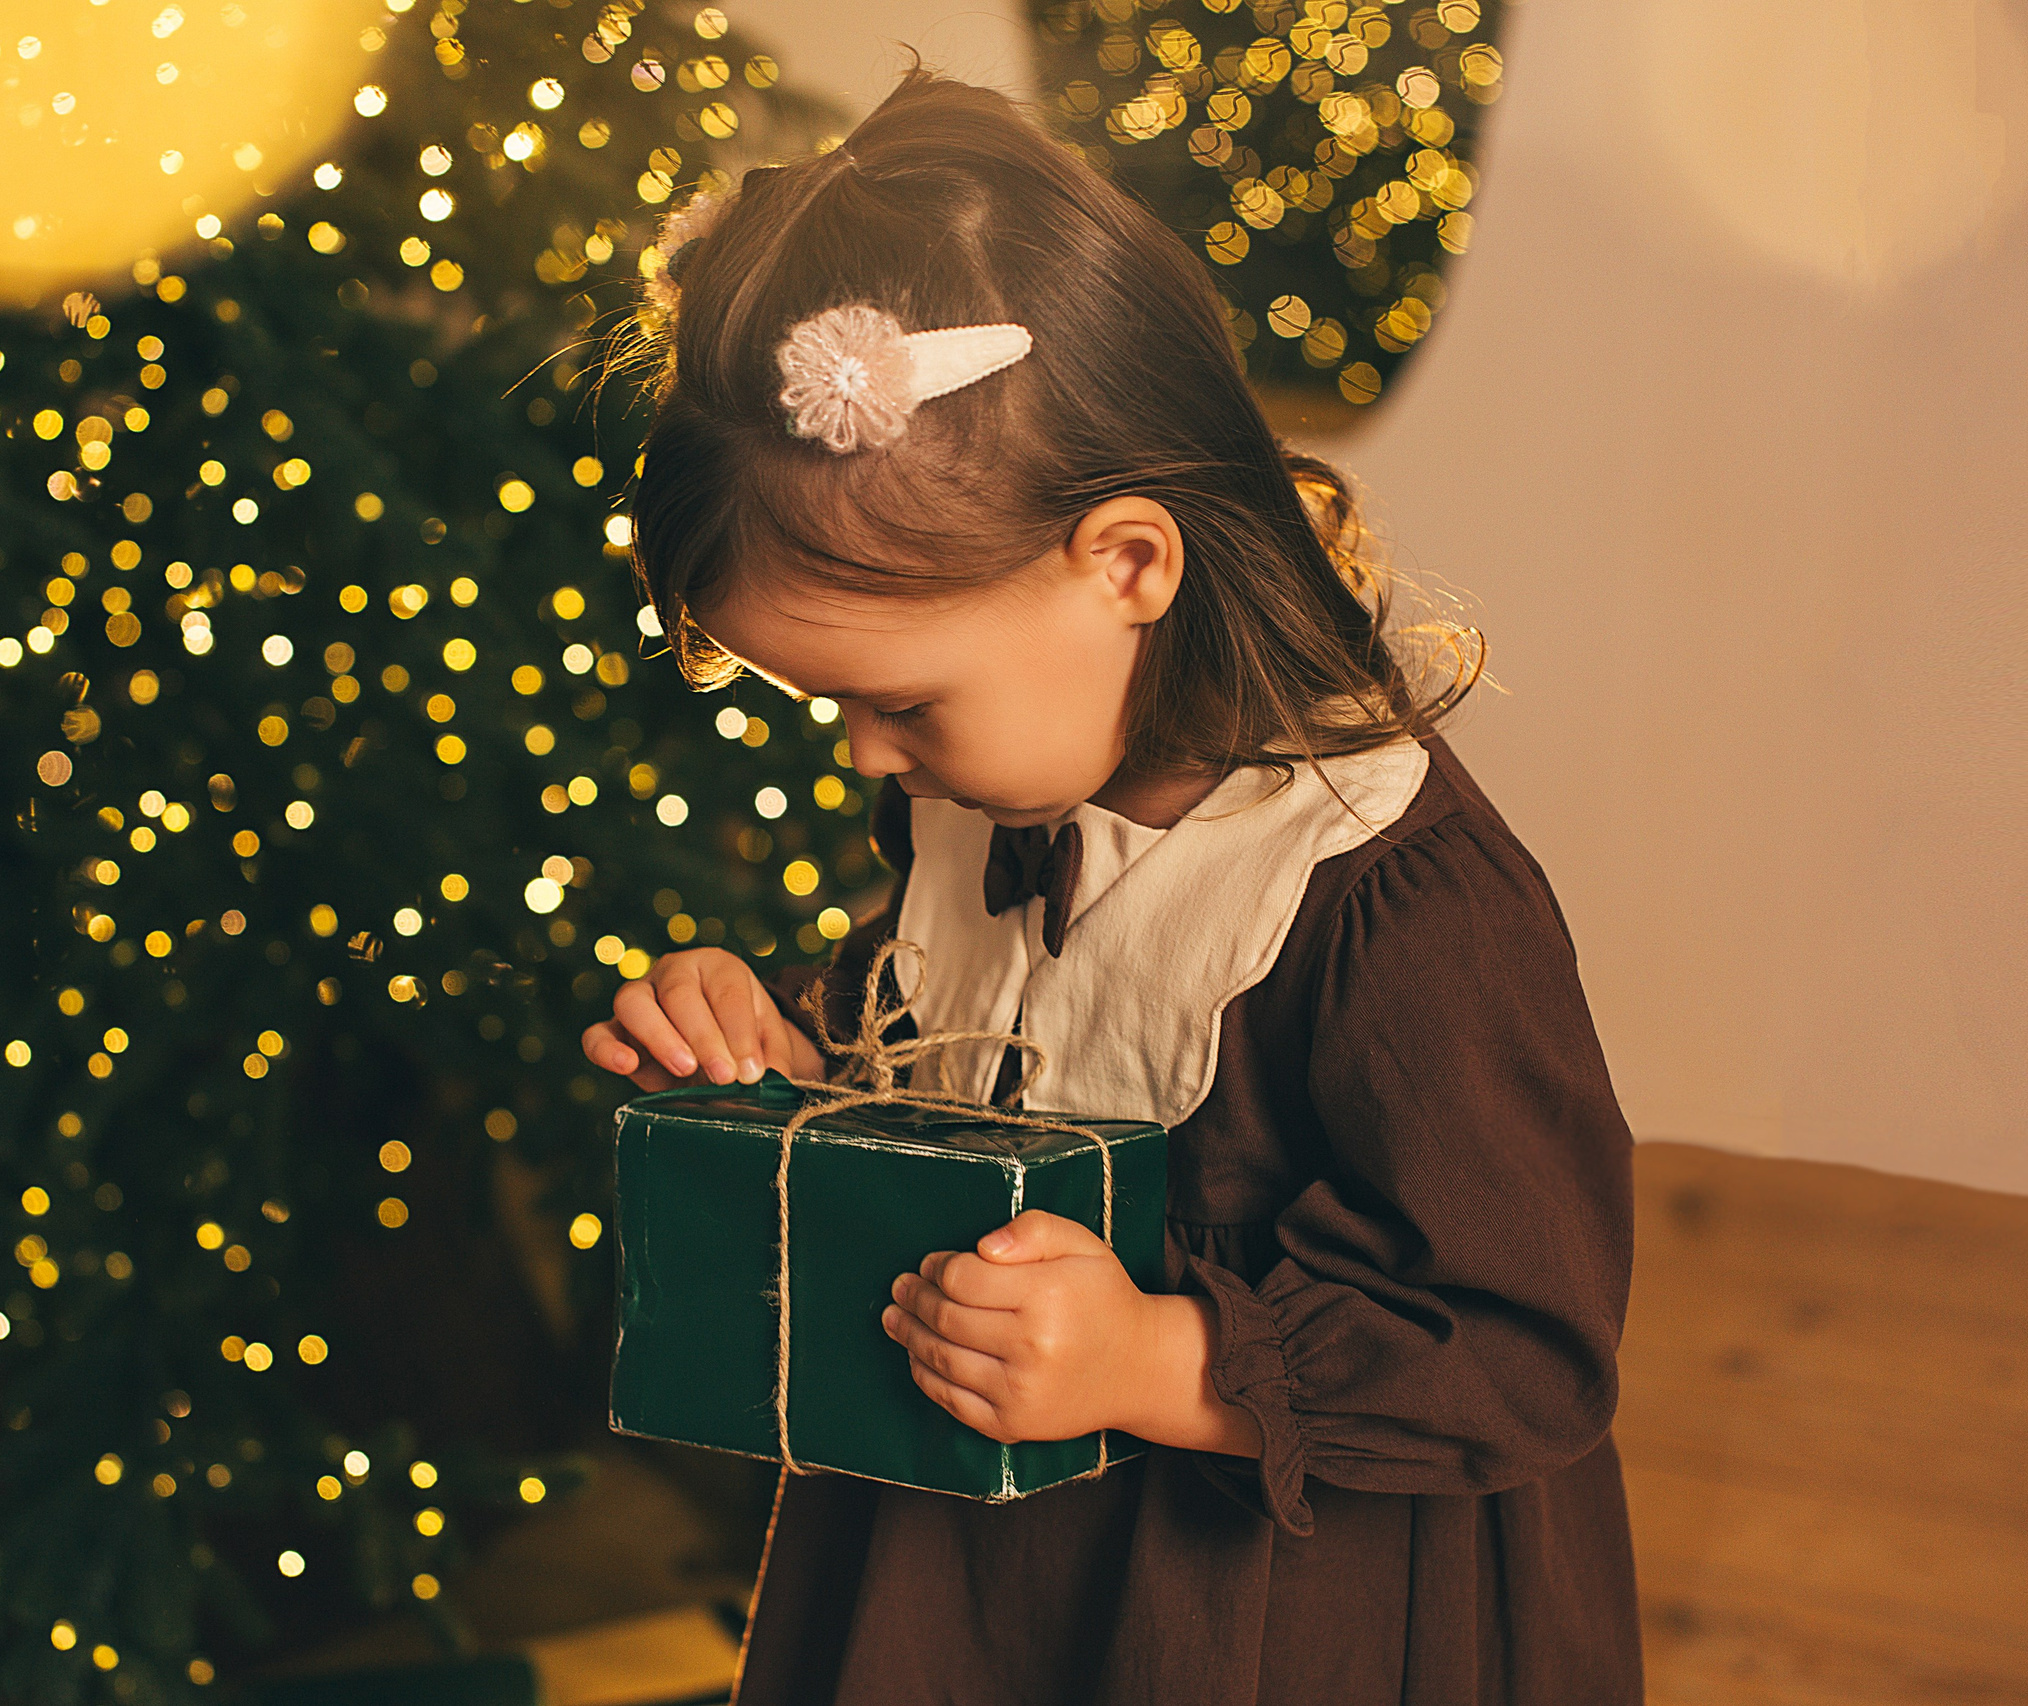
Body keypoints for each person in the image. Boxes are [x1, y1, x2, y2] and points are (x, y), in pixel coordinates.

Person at [580, 67, 1641, 1706]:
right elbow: (940, 1033)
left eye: (901, 700)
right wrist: (785, 1053)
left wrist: (1161, 1356)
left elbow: (1525, 1344)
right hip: (957, 1589)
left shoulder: (1391, 898)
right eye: (830, 707)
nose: (866, 757)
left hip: (1267, 1617)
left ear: (1128, 564)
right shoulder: (978, 807)